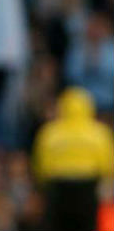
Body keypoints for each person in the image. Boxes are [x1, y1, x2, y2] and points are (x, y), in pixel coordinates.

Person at [32, 86, 114, 231]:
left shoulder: (49, 133)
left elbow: (40, 168)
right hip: (88, 189)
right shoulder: (99, 133)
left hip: (58, 188)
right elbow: (108, 167)